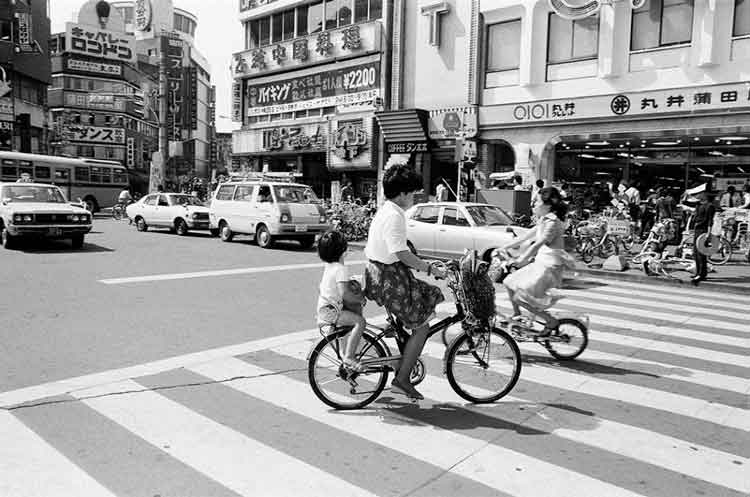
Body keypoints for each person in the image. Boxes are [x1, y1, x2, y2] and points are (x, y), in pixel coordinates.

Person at [364, 164, 446, 400]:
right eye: (411, 192)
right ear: (401, 193)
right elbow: (401, 252)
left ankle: (400, 341)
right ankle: (401, 380)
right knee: (423, 327)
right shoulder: (394, 216)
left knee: (425, 294)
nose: (414, 196)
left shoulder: (388, 210)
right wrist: (430, 269)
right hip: (389, 278)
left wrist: (425, 263)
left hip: (385, 274)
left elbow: (400, 249)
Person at [499, 187, 575, 335]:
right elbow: (526, 236)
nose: (533, 205)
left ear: (547, 205)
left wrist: (522, 259)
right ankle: (517, 314)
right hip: (540, 264)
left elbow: (539, 243)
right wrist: (504, 246)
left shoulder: (553, 222)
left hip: (549, 268)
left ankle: (550, 320)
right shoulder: (544, 219)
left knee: (520, 297)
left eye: (536, 202)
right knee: (508, 282)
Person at [316, 231, 367, 371]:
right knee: (360, 322)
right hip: (331, 311)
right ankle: (349, 356)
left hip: (325, 308)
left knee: (351, 323)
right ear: (343, 250)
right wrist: (360, 299)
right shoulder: (340, 269)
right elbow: (345, 293)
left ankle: (347, 351)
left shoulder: (329, 266)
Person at [690, 192, 716, 286]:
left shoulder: (710, 206)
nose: (699, 196)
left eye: (701, 194)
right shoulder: (698, 205)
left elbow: (710, 220)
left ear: (706, 196)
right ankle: (697, 272)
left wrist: (709, 233)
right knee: (695, 252)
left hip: (703, 230)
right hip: (697, 229)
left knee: (701, 253)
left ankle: (702, 274)